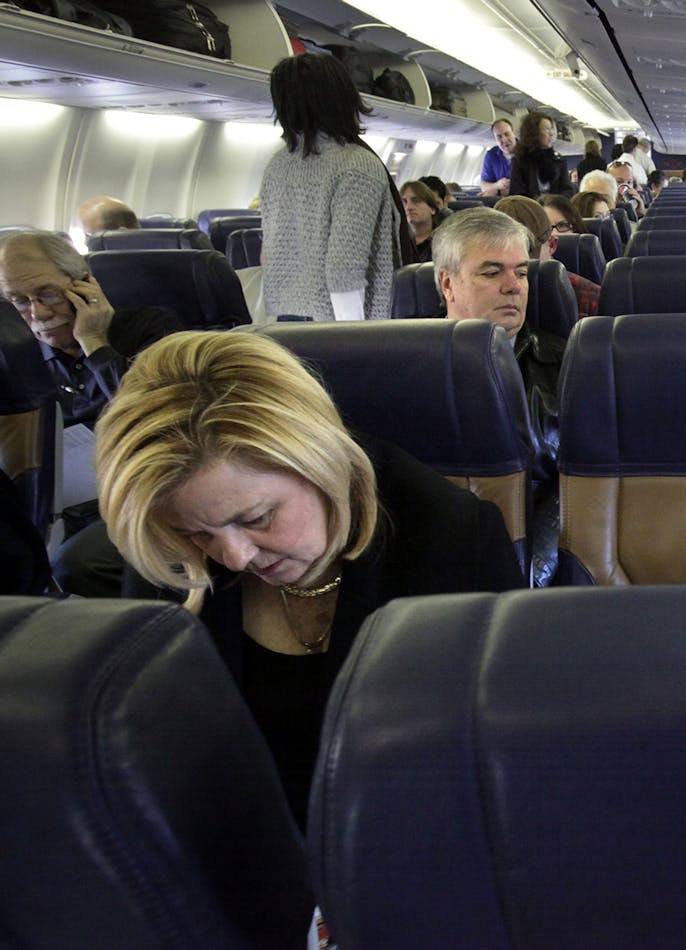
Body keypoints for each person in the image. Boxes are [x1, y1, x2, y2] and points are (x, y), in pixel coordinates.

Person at [96, 331, 524, 824]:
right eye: (197, 534)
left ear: (321, 462)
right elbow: (157, 750)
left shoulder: (452, 539)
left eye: (257, 518)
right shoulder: (166, 554)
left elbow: (499, 757)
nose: (233, 557)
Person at [0, 230, 182, 596]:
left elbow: (160, 416)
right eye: (18, 302)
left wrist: (95, 343)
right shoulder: (20, 358)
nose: (36, 313)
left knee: (75, 565)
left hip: (148, 492)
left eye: (47, 294)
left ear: (85, 286)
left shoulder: (152, 329)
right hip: (60, 505)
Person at [435, 208, 565, 585]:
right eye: (492, 272)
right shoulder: (400, 368)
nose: (514, 286)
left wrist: (527, 578)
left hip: (533, 570)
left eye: (521, 272)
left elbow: (572, 492)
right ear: (448, 284)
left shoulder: (569, 365)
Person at [260, 52, 401, 321]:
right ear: (342, 96)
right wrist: (352, 342)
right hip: (338, 331)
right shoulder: (357, 165)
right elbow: (344, 268)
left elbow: (269, 255)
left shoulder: (275, 166)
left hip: (282, 324)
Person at [496, 195, 600, 318]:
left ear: (552, 245)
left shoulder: (589, 298)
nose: (514, 284)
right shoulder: (481, 294)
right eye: (494, 270)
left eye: (530, 253)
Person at [509, 111, 571, 199]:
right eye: (546, 129)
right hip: (531, 210)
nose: (551, 133)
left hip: (555, 208)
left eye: (551, 129)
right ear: (534, 133)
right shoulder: (520, 161)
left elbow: (568, 190)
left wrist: (555, 203)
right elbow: (517, 195)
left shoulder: (558, 160)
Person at [400, 179, 442, 262]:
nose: (408, 207)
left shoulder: (445, 241)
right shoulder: (396, 242)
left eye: (416, 201)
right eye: (404, 202)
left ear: (432, 209)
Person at [481, 118, 515, 197]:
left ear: (513, 132)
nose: (504, 139)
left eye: (507, 134)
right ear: (495, 139)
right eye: (499, 136)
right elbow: (484, 186)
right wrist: (498, 185)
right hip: (499, 204)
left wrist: (497, 192)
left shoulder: (527, 153)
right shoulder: (491, 155)